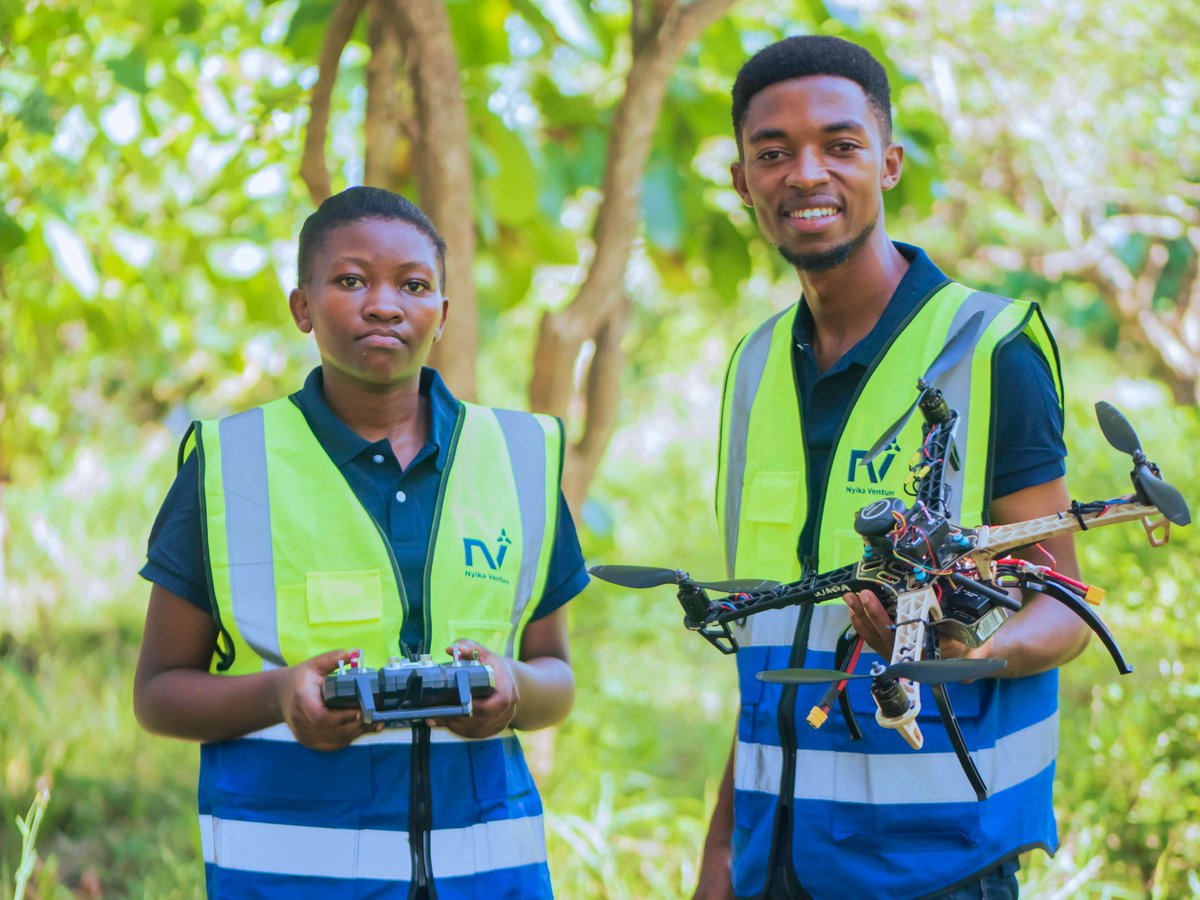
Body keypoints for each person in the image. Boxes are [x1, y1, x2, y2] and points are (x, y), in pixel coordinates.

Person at [693, 36, 1091, 899]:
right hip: (774, 862)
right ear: (741, 180)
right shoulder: (753, 368)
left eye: (840, 145)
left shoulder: (989, 349)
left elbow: (1064, 604)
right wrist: (721, 855)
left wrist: (959, 655)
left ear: (889, 163)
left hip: (937, 865)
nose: (806, 173)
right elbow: (774, 634)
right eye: (773, 153)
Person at [133, 186, 588, 898]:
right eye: (351, 280)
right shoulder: (230, 464)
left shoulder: (519, 456)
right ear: (302, 308)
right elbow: (159, 693)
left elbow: (554, 676)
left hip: (490, 877)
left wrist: (512, 691)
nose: (384, 304)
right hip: (290, 878)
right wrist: (280, 694)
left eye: (413, 285)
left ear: (443, 313)